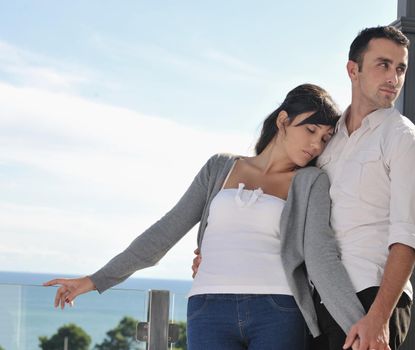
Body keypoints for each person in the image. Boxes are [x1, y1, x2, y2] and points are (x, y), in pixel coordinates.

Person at [44, 83, 365, 350]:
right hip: (208, 309)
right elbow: (165, 232)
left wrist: (362, 329)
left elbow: (322, 257)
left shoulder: (311, 181)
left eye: (324, 138)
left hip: (278, 310)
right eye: (310, 129)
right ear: (283, 120)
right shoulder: (219, 168)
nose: (315, 144)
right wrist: (95, 280)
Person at [311, 26, 415, 350]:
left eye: (400, 68)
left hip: (370, 298)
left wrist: (379, 318)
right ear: (353, 70)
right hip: (317, 299)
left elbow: (408, 240)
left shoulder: (407, 143)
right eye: (383, 65)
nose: (393, 78)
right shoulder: (326, 139)